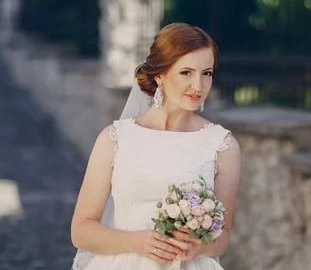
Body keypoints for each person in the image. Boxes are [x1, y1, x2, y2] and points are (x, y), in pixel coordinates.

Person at [70, 22, 241, 270]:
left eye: (207, 73)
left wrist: (198, 246)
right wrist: (138, 242)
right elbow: (81, 230)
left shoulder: (222, 145)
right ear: (159, 75)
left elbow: (222, 235)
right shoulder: (115, 138)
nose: (198, 86)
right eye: (186, 73)